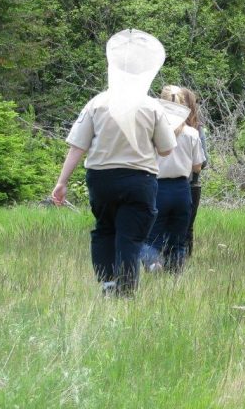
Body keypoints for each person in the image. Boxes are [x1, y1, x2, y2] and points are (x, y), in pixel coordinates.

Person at [51, 29, 177, 296]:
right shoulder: (152, 107)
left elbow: (78, 146)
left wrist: (62, 182)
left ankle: (108, 284)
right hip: (139, 181)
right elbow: (166, 151)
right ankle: (126, 290)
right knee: (130, 236)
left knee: (105, 229)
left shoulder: (96, 103)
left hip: (101, 179)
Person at [142, 85, 206, 273]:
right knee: (178, 240)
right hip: (181, 189)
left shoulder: (152, 132)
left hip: (157, 187)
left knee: (151, 238)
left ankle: (154, 264)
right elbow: (198, 166)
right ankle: (174, 277)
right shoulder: (192, 133)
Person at [179, 87, 207, 255]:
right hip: (191, 184)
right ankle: (182, 265)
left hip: (163, 182)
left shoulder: (161, 125)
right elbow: (203, 161)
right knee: (187, 228)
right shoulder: (197, 129)